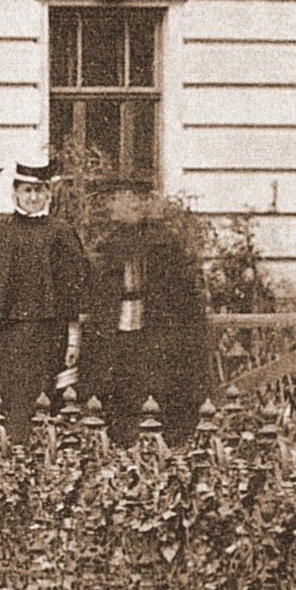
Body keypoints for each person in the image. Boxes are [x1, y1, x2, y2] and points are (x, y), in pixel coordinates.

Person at [0, 158, 91, 440]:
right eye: (27, 191)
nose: (33, 197)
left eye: (39, 191)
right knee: (3, 402)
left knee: (47, 403)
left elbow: (76, 289)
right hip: (9, 336)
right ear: (15, 193)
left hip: (49, 335)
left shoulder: (62, 233)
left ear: (48, 194)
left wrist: (73, 337)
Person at [79, 186, 212, 445]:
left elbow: (183, 299)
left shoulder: (165, 245)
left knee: (156, 390)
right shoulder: (110, 244)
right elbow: (97, 295)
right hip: (117, 335)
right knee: (118, 392)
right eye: (127, 199)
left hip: (155, 336)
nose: (133, 205)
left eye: (139, 200)